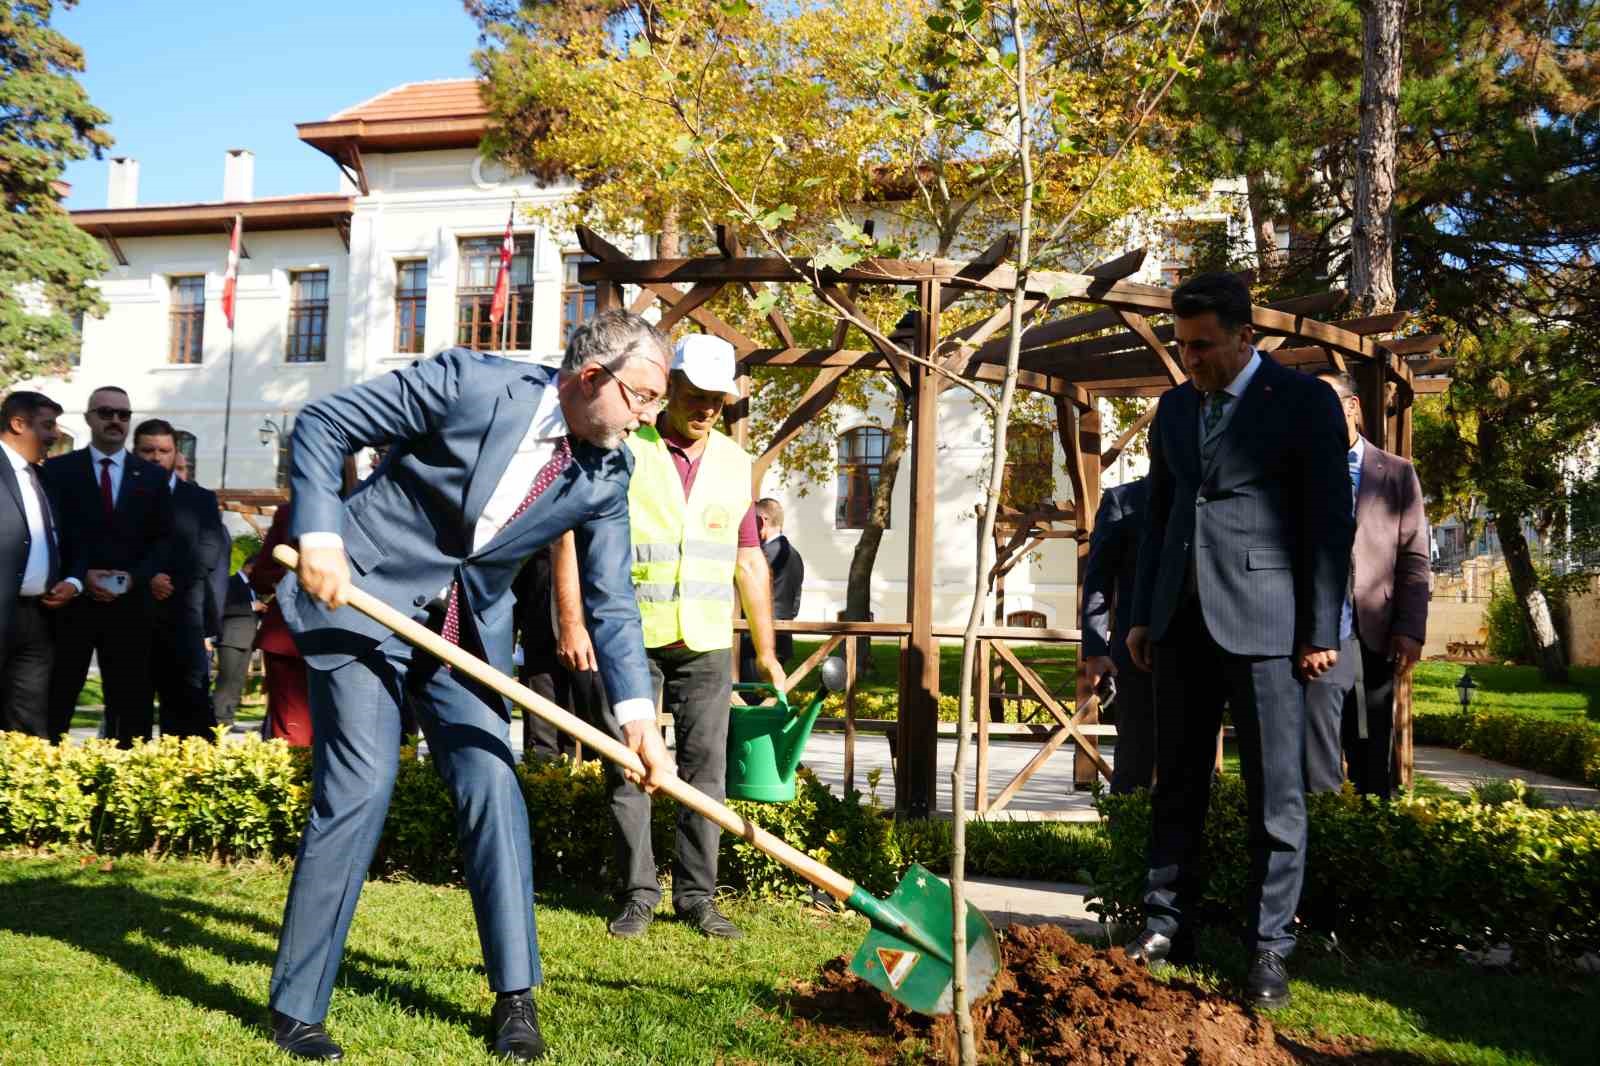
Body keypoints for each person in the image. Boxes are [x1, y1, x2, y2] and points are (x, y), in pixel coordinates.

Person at [265, 310, 674, 1063]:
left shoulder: (609, 470)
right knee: (362, 789)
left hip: (462, 636)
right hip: (361, 598)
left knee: (493, 783)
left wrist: (638, 718)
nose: (650, 420)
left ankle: (515, 999)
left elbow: (613, 599)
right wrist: (319, 533)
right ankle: (297, 1007)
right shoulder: (469, 385)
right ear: (592, 379)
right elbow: (325, 423)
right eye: (644, 398)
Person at [1121, 272, 1353, 1010]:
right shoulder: (1172, 408)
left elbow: (1328, 520)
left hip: (1270, 625)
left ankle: (1268, 950)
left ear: (1245, 335)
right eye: (1182, 346)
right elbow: (1159, 515)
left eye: (1202, 346)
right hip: (1182, 623)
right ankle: (1165, 928)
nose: (1189, 360)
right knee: (1176, 785)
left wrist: (1320, 628)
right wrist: (1141, 615)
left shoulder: (1305, 401)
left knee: (1273, 796)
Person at [555, 333, 789, 943]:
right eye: (695, 394)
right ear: (670, 388)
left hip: (707, 643)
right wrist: (573, 620)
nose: (708, 408)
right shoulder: (629, 445)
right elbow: (571, 536)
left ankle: (697, 898)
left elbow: (750, 561)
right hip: (629, 637)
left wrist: (765, 650)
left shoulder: (739, 466)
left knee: (705, 772)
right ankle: (637, 893)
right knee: (629, 768)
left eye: (718, 398)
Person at [1303, 370, 1430, 800]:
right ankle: (1324, 833)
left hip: (1377, 631)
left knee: (1373, 751)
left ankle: (1376, 836)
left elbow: (1414, 555)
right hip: (1318, 636)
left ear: (1352, 406)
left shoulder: (1396, 473)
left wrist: (1411, 629)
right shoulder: (1299, 473)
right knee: (1317, 750)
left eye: (1326, 406)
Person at [41, 386, 173, 745]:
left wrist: (134, 579)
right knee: (58, 698)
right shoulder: (56, 471)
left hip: (130, 608)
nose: (115, 420)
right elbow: (48, 535)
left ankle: (126, 788)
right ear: (88, 418)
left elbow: (163, 540)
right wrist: (79, 576)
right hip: (71, 604)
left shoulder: (152, 477)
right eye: (105, 412)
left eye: (123, 414)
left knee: (130, 706)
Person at [133, 419, 227, 740]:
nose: (156, 457)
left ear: (175, 454)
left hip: (184, 618)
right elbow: (115, 548)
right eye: (148, 450)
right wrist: (148, 578)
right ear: (135, 452)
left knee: (190, 709)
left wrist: (170, 580)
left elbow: (210, 549)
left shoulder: (200, 499)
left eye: (164, 451)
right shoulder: (121, 495)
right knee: (131, 712)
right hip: (134, 617)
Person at [1, 392, 74, 738]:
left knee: (28, 724)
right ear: (18, 424)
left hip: (38, 618)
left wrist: (70, 578)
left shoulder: (43, 479)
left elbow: (63, 539)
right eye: (47, 425)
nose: (55, 434)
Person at [1078, 476, 1155, 794]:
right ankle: (1126, 838)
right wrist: (1096, 651)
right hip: (1135, 655)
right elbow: (1098, 578)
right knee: (1135, 758)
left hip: (1198, 649)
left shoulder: (1205, 493)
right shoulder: (1123, 500)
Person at [738, 496, 804, 693]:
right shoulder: (795, 554)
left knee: (750, 703)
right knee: (769, 700)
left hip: (754, 641)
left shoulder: (761, 557)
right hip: (782, 638)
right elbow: (794, 604)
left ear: (763, 520)